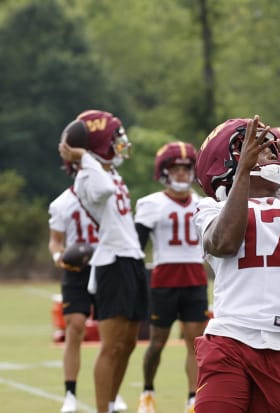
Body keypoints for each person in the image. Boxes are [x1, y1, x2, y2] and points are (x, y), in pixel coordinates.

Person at [191, 115, 280, 413]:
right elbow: (224, 243)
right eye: (258, 144)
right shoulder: (210, 208)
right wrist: (244, 172)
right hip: (231, 337)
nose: (273, 150)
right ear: (228, 159)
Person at [58, 110, 148, 413]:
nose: (120, 143)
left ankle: (110, 402)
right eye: (114, 138)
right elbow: (105, 190)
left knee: (130, 344)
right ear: (96, 145)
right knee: (111, 346)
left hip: (132, 258)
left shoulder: (107, 171)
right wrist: (84, 156)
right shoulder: (88, 176)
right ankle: (102, 409)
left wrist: (90, 157)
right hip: (113, 263)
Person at [134, 141, 209, 413]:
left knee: (195, 345)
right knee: (156, 343)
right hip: (164, 280)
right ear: (165, 171)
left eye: (186, 168)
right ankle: (147, 391)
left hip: (195, 279)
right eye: (175, 169)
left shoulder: (204, 204)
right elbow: (136, 247)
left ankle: (192, 398)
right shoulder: (151, 204)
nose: (181, 174)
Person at [48, 166, 129, 413]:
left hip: (105, 265)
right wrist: (59, 258)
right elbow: (56, 241)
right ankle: (70, 394)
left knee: (112, 334)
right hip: (76, 272)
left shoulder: (108, 195)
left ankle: (112, 391)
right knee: (75, 327)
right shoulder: (62, 203)